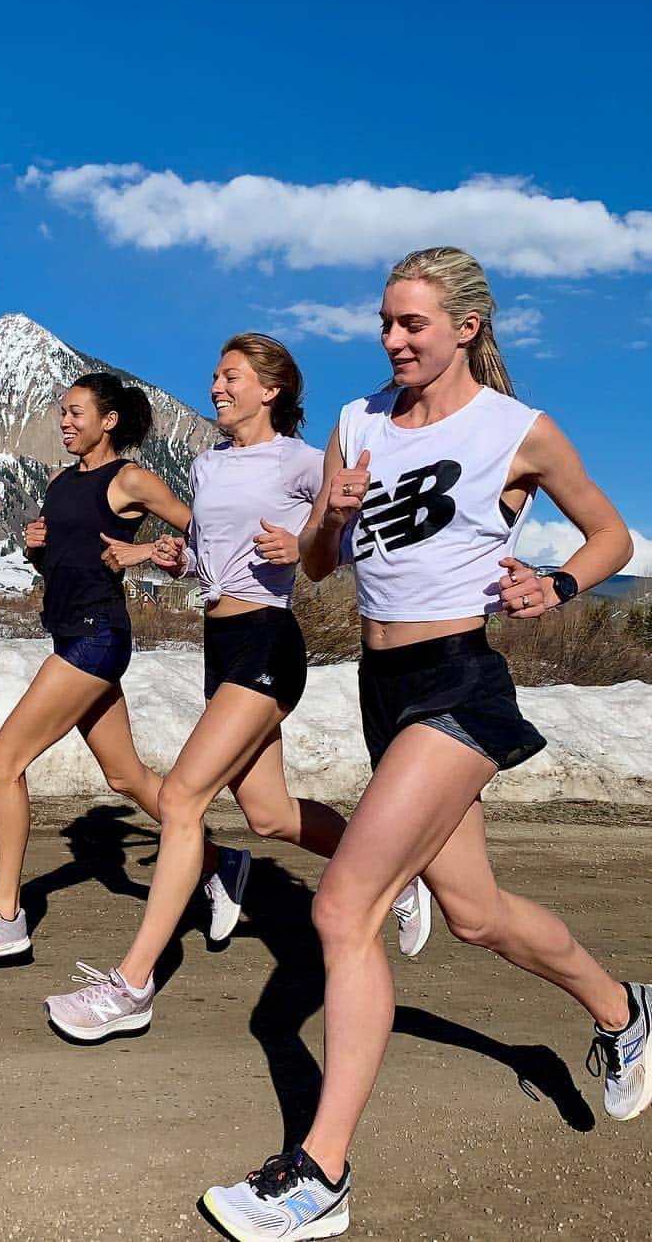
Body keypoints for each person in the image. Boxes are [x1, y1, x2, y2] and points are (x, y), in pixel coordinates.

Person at [202, 248, 649, 1242]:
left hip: (460, 682)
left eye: (412, 324)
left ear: (465, 329)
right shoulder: (358, 426)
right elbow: (317, 564)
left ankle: (320, 1174)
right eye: (385, 323)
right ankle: (624, 1010)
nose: (393, 340)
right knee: (478, 916)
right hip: (382, 685)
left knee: (344, 908)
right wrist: (334, 511)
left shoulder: (514, 431)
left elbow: (611, 535)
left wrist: (561, 584)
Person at [43, 335, 431, 1042]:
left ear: (271, 389)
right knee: (272, 815)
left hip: (269, 641)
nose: (217, 387)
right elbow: (208, 554)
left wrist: (313, 541)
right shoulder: (207, 463)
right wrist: (162, 554)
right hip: (220, 644)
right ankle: (397, 873)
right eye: (216, 375)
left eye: (231, 377)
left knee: (184, 798)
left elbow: (350, 533)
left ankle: (132, 986)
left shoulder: (304, 462)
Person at [0, 372, 242, 962]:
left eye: (77, 413)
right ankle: (219, 861)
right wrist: (36, 551)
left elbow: (202, 531)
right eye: (63, 413)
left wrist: (148, 551)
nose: (66, 422)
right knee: (125, 778)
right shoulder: (57, 481)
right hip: (71, 634)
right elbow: (64, 566)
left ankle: (6, 917)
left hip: (98, 638)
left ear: (109, 421)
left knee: (2, 764)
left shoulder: (130, 480)